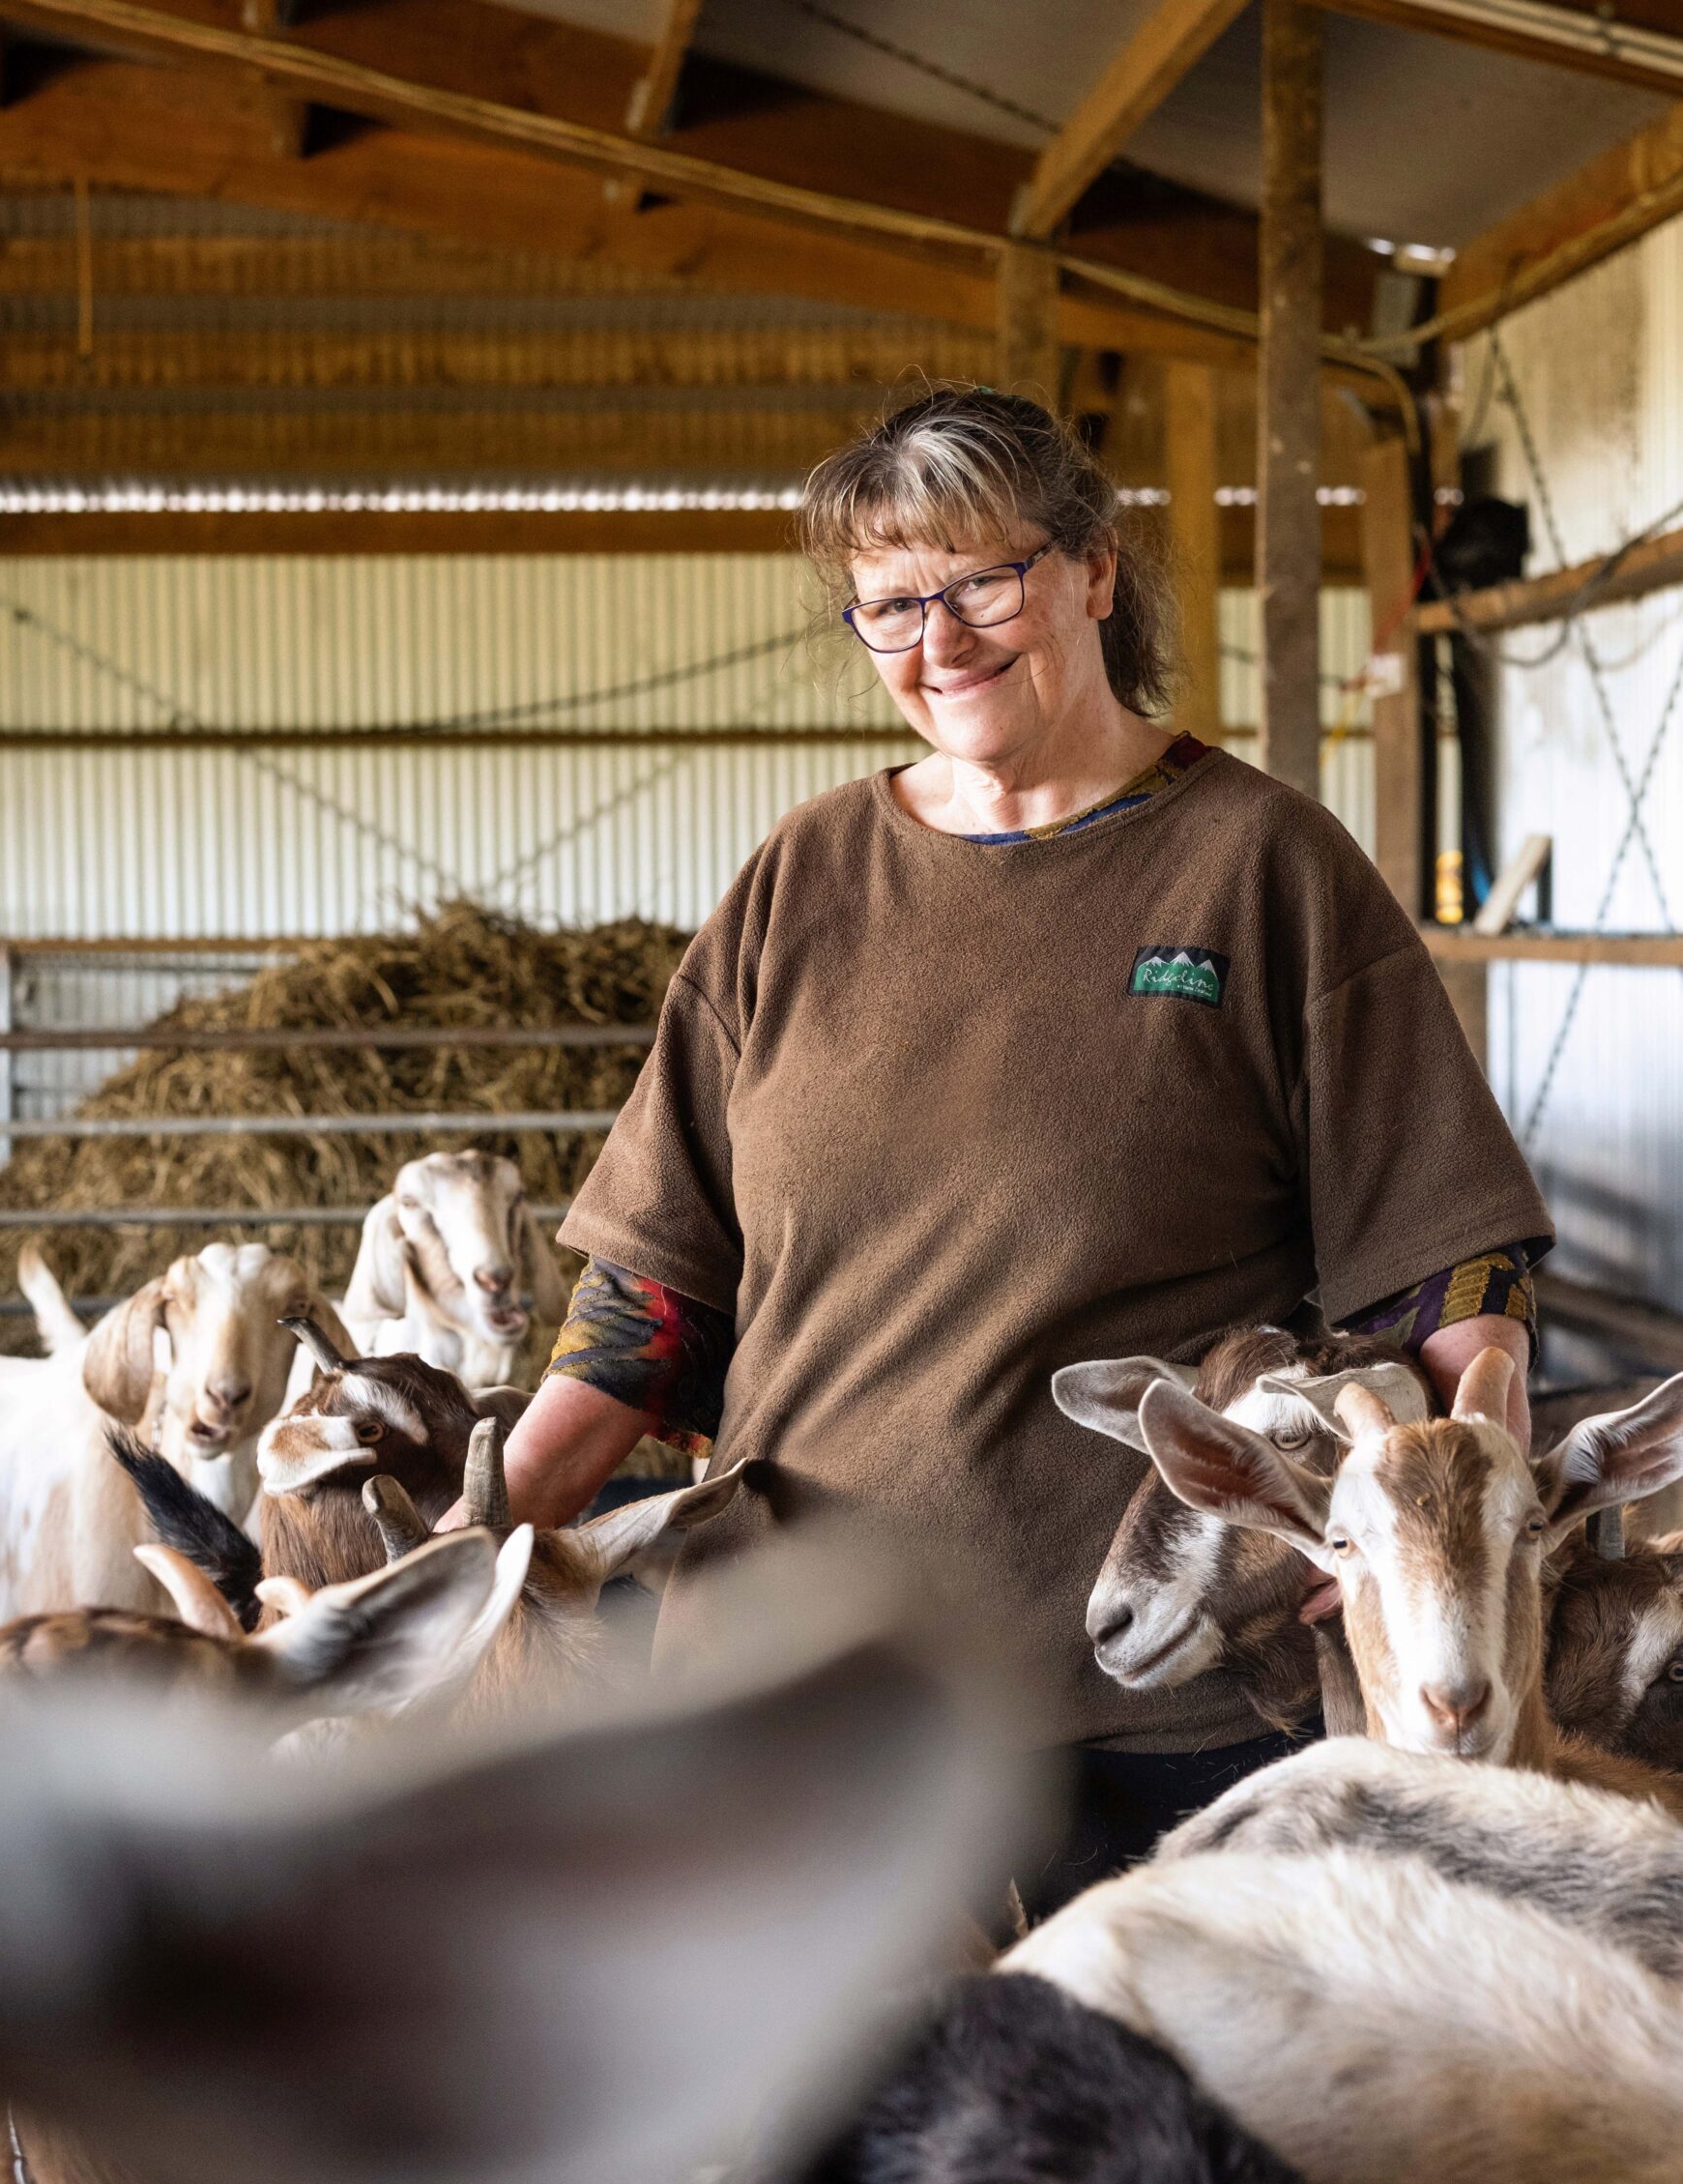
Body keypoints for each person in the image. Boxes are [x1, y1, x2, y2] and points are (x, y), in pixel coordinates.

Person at [468, 385, 1552, 1899]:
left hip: (1146, 1722)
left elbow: (1442, 1272)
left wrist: (1431, 1510)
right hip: (800, 1697)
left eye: (983, 579)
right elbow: (651, 1303)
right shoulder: (806, 879)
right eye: (891, 606)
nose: (942, 638)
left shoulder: (1263, 867)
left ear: (1096, 570)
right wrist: (472, 1553)